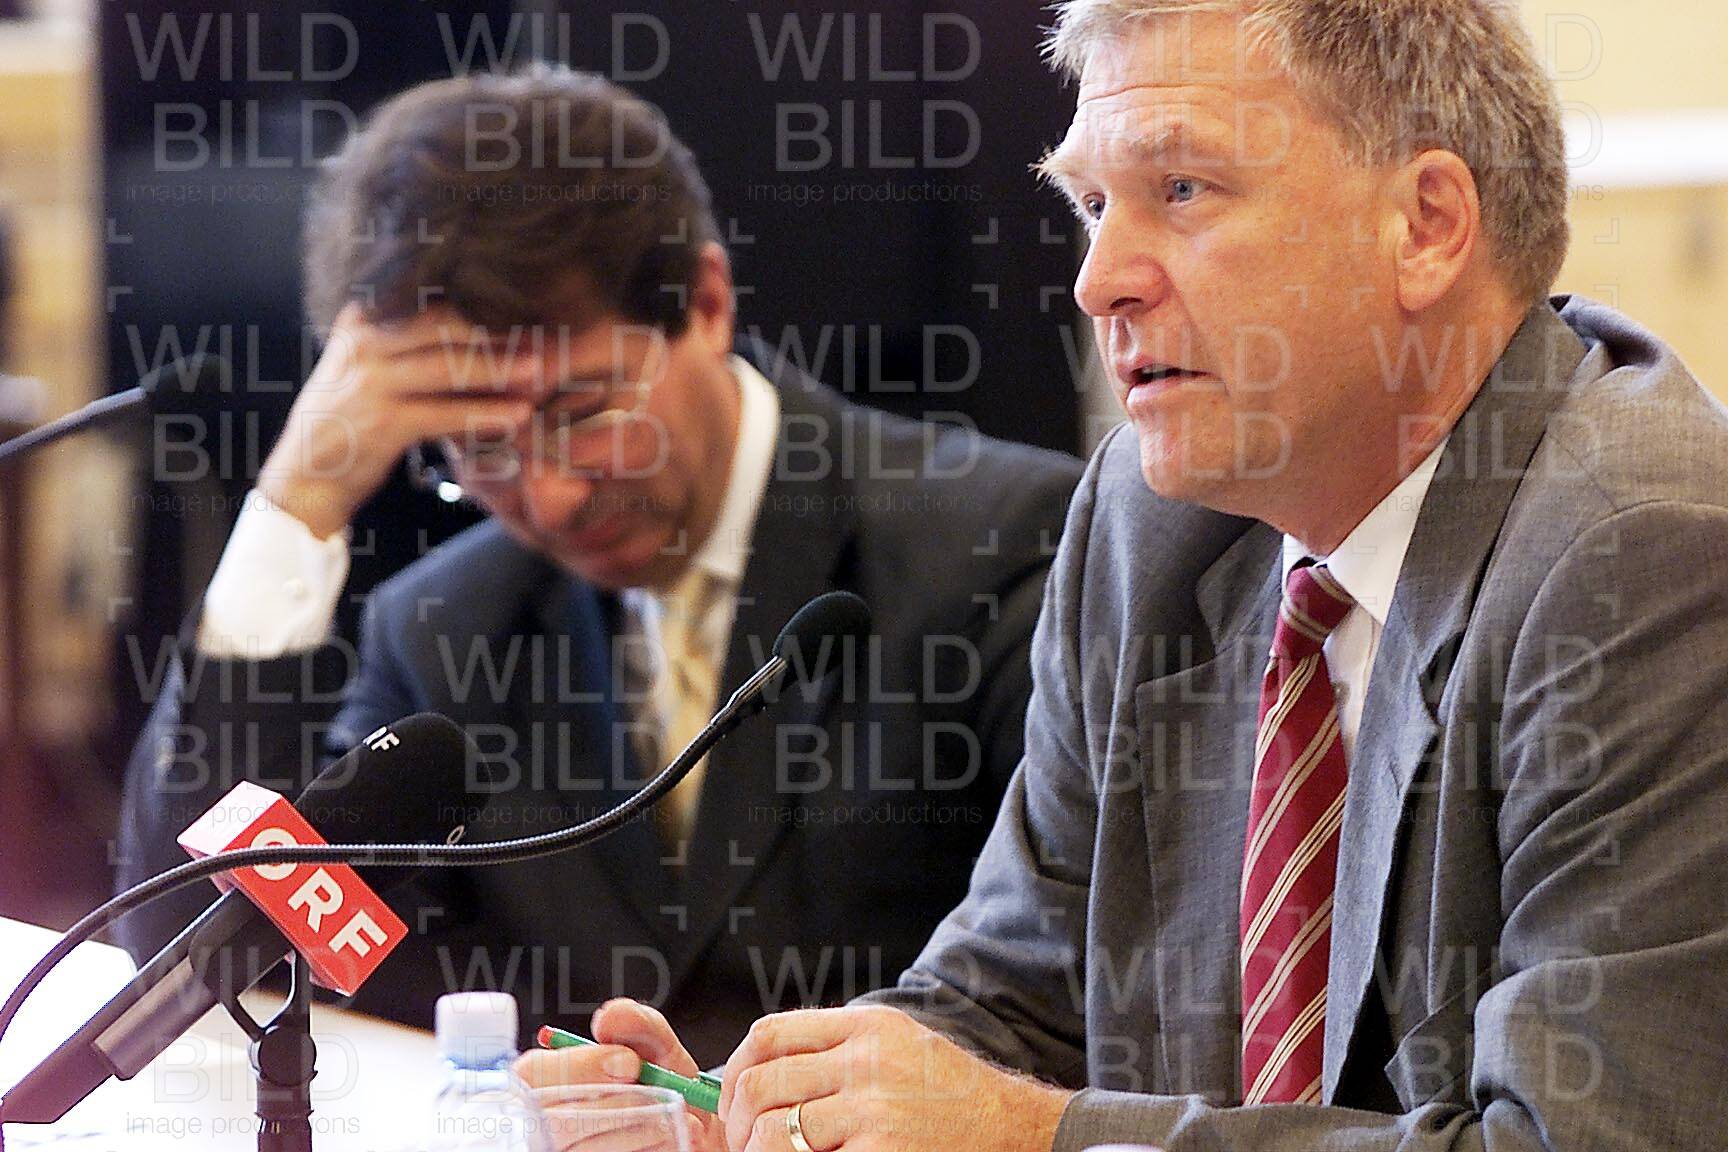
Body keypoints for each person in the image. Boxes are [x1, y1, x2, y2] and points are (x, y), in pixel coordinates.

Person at [519, 2, 1728, 1149]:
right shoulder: (1151, 523)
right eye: (1094, 204)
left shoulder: (1645, 553)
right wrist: (773, 1109)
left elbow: (1581, 1137)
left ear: (1424, 224)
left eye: (1182, 190)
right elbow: (1006, 999)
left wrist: (1032, 1134)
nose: (1099, 279)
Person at [112, 65, 1081, 1066]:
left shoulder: (1009, 548)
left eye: (582, 412)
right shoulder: (443, 627)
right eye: (479, 446)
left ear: (707, 303)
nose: (552, 496)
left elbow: (1081, 1000)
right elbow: (205, 968)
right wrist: (294, 504)